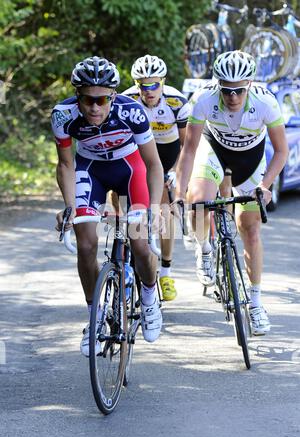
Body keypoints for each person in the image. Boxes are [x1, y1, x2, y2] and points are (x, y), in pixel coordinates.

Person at [52, 56, 164, 355]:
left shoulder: (132, 112)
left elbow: (153, 163)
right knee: (86, 244)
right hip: (90, 169)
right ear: (79, 96)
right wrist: (68, 206)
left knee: (140, 244)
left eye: (102, 99)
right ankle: (95, 315)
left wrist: (152, 208)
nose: (94, 107)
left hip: (130, 168)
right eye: (88, 99)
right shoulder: (64, 115)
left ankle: (151, 297)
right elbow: (65, 164)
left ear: (113, 95)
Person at [175, 50, 288, 335]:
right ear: (218, 85)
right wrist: (179, 191)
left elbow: (282, 151)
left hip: (251, 160)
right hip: (214, 151)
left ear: (249, 84)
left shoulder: (265, 102)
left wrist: (266, 186)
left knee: (250, 231)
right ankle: (204, 249)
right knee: (198, 202)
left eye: (239, 90)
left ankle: (257, 303)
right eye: (227, 90)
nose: (233, 97)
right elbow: (188, 150)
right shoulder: (203, 99)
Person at [122, 55, 191, 301]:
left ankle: (166, 272)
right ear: (136, 85)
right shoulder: (127, 101)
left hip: (168, 150)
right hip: (139, 151)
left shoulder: (177, 102)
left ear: (162, 82)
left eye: (154, 85)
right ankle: (124, 257)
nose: (149, 90)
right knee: (120, 199)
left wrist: (176, 171)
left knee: (163, 208)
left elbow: (187, 144)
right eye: (143, 85)